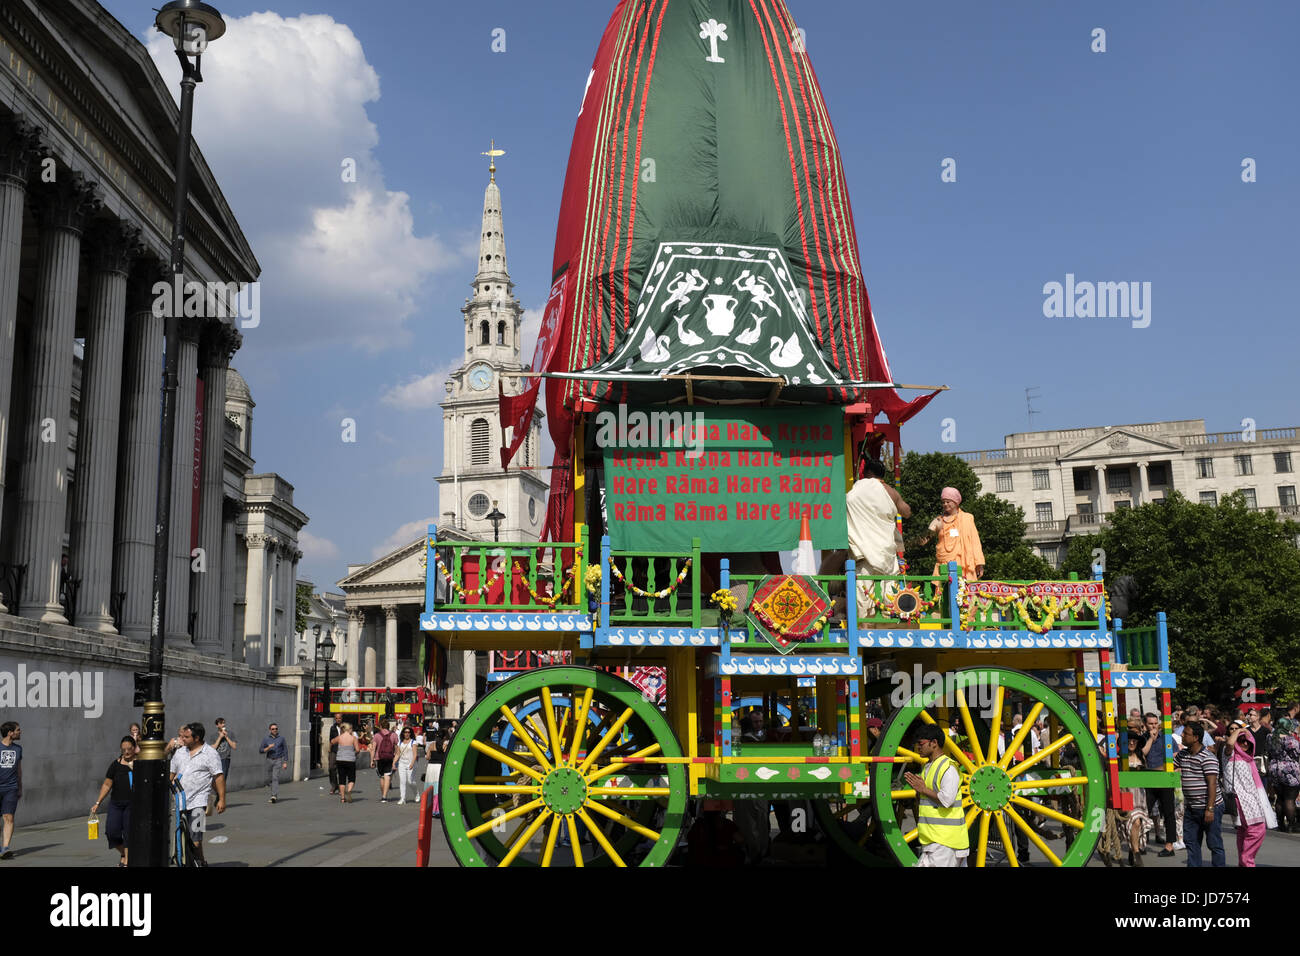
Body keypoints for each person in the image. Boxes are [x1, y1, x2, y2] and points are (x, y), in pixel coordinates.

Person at [905, 724, 968, 866]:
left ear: (934, 743)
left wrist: (922, 789)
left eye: (921, 743)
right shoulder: (929, 766)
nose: (918, 748)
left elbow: (947, 800)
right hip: (934, 839)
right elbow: (926, 799)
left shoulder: (949, 768)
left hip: (946, 841)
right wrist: (919, 792)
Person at [169, 722, 226, 866]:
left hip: (199, 802)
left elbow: (218, 777)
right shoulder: (180, 752)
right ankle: (199, 861)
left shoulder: (210, 754)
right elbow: (172, 773)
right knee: (182, 836)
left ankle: (195, 862)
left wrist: (222, 799)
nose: (183, 739)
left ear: (197, 738)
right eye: (183, 736)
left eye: (187, 737)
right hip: (180, 801)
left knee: (196, 838)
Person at [845, 457, 911, 575]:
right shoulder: (892, 492)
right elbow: (907, 513)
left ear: (868, 473)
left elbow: (848, 500)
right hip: (886, 553)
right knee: (888, 592)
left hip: (863, 552)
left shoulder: (859, 487)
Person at [1222, 720, 1275, 867]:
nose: (1244, 743)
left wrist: (1243, 733)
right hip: (1241, 800)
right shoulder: (1229, 753)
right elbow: (1230, 744)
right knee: (1257, 830)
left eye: (1247, 741)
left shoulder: (1248, 758)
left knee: (1244, 832)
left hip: (1251, 800)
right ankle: (1247, 862)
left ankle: (1244, 862)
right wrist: (1239, 731)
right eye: (1241, 740)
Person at [1173, 721, 1225, 867]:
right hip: (1192, 808)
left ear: (1195, 737)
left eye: (1185, 734)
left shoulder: (1208, 757)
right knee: (1191, 843)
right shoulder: (1182, 754)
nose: (1182, 736)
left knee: (1214, 844)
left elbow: (1212, 785)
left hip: (1209, 807)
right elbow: (1169, 767)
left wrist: (1210, 809)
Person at [918, 487, 984, 580]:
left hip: (964, 563)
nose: (945, 504)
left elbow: (975, 542)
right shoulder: (939, 520)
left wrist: (979, 563)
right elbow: (925, 539)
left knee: (963, 593)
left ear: (956, 502)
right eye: (943, 502)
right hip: (944, 564)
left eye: (948, 501)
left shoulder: (967, 518)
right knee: (943, 592)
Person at [92, 737, 137, 866]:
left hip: (132, 804)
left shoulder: (140, 763)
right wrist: (97, 803)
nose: (127, 752)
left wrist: (134, 768)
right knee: (112, 832)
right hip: (116, 803)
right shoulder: (115, 764)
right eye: (124, 750)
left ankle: (127, 862)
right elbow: (107, 784)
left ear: (134, 748)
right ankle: (124, 853)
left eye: (129, 749)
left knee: (128, 832)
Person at [1138, 713, 1177, 858]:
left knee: (1168, 812)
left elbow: (1176, 754)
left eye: (1155, 723)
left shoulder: (1167, 738)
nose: (1154, 726)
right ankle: (1141, 842)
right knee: (1143, 811)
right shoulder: (1142, 739)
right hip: (1148, 779)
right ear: (1145, 725)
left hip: (1164, 778)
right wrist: (1150, 739)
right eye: (1150, 724)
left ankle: (1169, 845)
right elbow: (1142, 754)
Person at [1266, 716, 1300, 833]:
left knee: (1280, 798)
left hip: (1274, 768)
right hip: (1289, 769)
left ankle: (1280, 824)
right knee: (1290, 799)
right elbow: (1296, 754)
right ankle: (1291, 824)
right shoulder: (1291, 740)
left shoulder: (1270, 737)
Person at [0, 722, 21, 859]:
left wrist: (20, 786)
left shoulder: (18, 749)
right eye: (18, 730)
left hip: (11, 788)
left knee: (9, 817)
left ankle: (5, 848)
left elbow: (19, 769)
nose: (20, 732)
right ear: (10, 733)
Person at [259, 722, 289, 804]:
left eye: (276, 728)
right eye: (273, 729)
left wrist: (285, 762)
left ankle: (274, 795)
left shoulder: (281, 738)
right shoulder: (266, 739)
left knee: (275, 777)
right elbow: (261, 750)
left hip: (278, 760)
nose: (275, 730)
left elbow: (285, 750)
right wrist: (268, 747)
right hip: (269, 760)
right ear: (270, 730)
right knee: (269, 779)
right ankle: (273, 793)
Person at [371, 719, 398, 803]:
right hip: (390, 757)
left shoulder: (376, 735)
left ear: (380, 726)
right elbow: (396, 749)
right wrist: (395, 760)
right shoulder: (394, 735)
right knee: (387, 777)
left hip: (380, 758)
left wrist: (371, 760)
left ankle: (383, 795)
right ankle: (384, 796)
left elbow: (373, 749)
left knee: (382, 777)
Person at [335, 722, 359, 804]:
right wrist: (354, 753)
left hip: (340, 760)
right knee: (351, 778)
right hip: (350, 760)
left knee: (341, 779)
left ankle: (342, 798)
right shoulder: (353, 738)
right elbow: (358, 749)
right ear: (348, 729)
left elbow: (332, 741)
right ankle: (349, 791)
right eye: (351, 729)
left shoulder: (339, 737)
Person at [394, 726, 419, 805]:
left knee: (410, 781)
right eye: (405, 732)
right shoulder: (400, 742)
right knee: (402, 781)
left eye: (408, 732)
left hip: (411, 763)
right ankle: (403, 798)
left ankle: (416, 794)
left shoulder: (413, 742)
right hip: (401, 763)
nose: (407, 734)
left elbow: (415, 755)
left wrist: (411, 764)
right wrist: (394, 762)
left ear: (411, 733)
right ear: (403, 733)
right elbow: (397, 754)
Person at [425, 730, 446, 817]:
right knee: (438, 788)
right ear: (444, 737)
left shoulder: (431, 745)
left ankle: (429, 808)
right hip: (439, 767)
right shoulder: (445, 745)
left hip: (431, 767)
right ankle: (436, 809)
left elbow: (427, 757)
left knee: (430, 787)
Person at [327, 713, 343, 796]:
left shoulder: (345, 728)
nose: (338, 720)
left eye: (339, 718)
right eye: (336, 718)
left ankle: (341, 787)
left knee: (341, 769)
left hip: (343, 750)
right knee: (331, 767)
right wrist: (329, 749)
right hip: (334, 750)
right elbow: (331, 739)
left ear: (342, 718)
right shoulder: (332, 728)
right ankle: (334, 785)